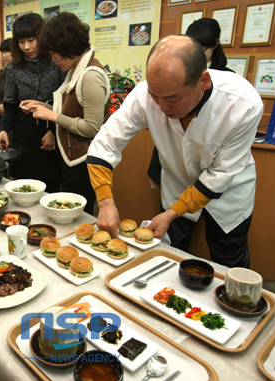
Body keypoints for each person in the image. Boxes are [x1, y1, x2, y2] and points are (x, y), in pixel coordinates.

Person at [86, 35, 263, 268]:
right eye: (154, 96)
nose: (162, 107)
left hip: (228, 193)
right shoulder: (144, 95)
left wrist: (172, 213)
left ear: (204, 81)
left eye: (172, 98)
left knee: (229, 256)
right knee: (169, 253)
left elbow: (219, 175)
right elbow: (105, 144)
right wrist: (106, 203)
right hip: (177, 184)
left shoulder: (243, 104)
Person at [22, 12, 111, 214]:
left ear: (67, 47)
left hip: (87, 162)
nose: (53, 59)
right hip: (74, 158)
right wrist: (42, 106)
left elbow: (92, 127)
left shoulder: (90, 76)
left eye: (54, 53)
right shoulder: (77, 69)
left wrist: (52, 116)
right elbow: (71, 110)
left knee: (78, 217)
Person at [148, 17, 234, 188]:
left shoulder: (230, 86)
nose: (163, 106)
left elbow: (222, 170)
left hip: (212, 168)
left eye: (202, 48)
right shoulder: (161, 82)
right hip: (175, 161)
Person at [0, 13, 66, 192]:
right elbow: (10, 105)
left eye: (32, 40)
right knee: (24, 186)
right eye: (21, 42)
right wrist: (4, 129)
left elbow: (65, 101)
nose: (27, 47)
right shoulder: (13, 67)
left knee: (50, 185)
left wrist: (52, 131)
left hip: (51, 132)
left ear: (42, 37)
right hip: (24, 134)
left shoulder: (56, 62)